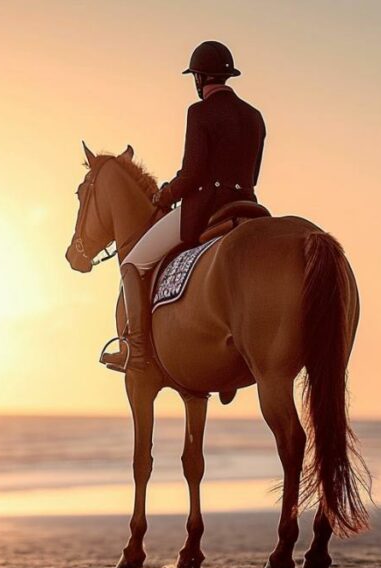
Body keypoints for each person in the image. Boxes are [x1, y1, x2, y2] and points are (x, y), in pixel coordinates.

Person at [101, 40, 266, 373]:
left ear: (199, 78)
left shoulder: (199, 112)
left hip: (206, 209)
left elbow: (192, 174)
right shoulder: (255, 116)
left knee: (132, 264)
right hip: (247, 206)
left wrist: (165, 195)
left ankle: (137, 351)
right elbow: (254, 174)